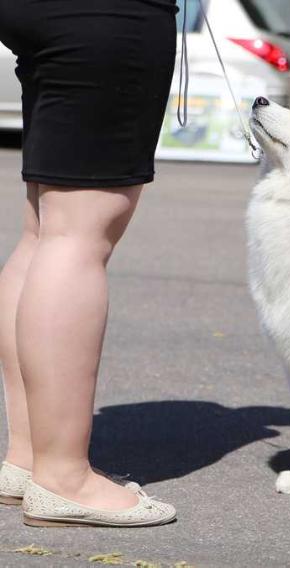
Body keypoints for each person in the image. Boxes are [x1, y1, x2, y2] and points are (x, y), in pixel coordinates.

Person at [0, 0, 179, 527]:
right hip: (105, 11)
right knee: (78, 237)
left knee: (45, 232)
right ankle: (64, 479)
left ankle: (28, 458)